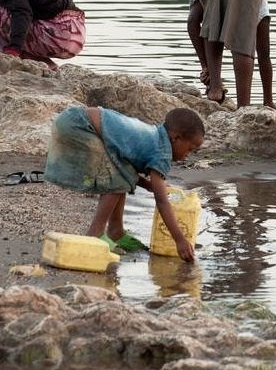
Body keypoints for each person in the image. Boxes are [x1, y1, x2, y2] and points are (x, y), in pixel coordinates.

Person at [43, 105, 205, 261]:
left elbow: (128, 170)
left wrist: (149, 185)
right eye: (189, 149)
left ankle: (116, 232)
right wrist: (180, 240)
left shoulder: (154, 136)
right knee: (115, 179)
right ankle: (95, 234)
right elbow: (162, 201)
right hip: (80, 126)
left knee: (120, 175)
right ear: (176, 138)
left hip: (73, 119)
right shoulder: (162, 152)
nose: (187, 155)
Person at [190, 0, 267, 106]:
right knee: (244, 38)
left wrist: (206, 68)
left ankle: (215, 90)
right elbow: (264, 55)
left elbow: (193, 21)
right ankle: (243, 108)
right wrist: (268, 100)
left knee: (212, 21)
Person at [187, 0, 275, 109]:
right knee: (197, 21)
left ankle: (263, 101)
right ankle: (214, 82)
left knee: (258, 50)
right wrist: (206, 66)